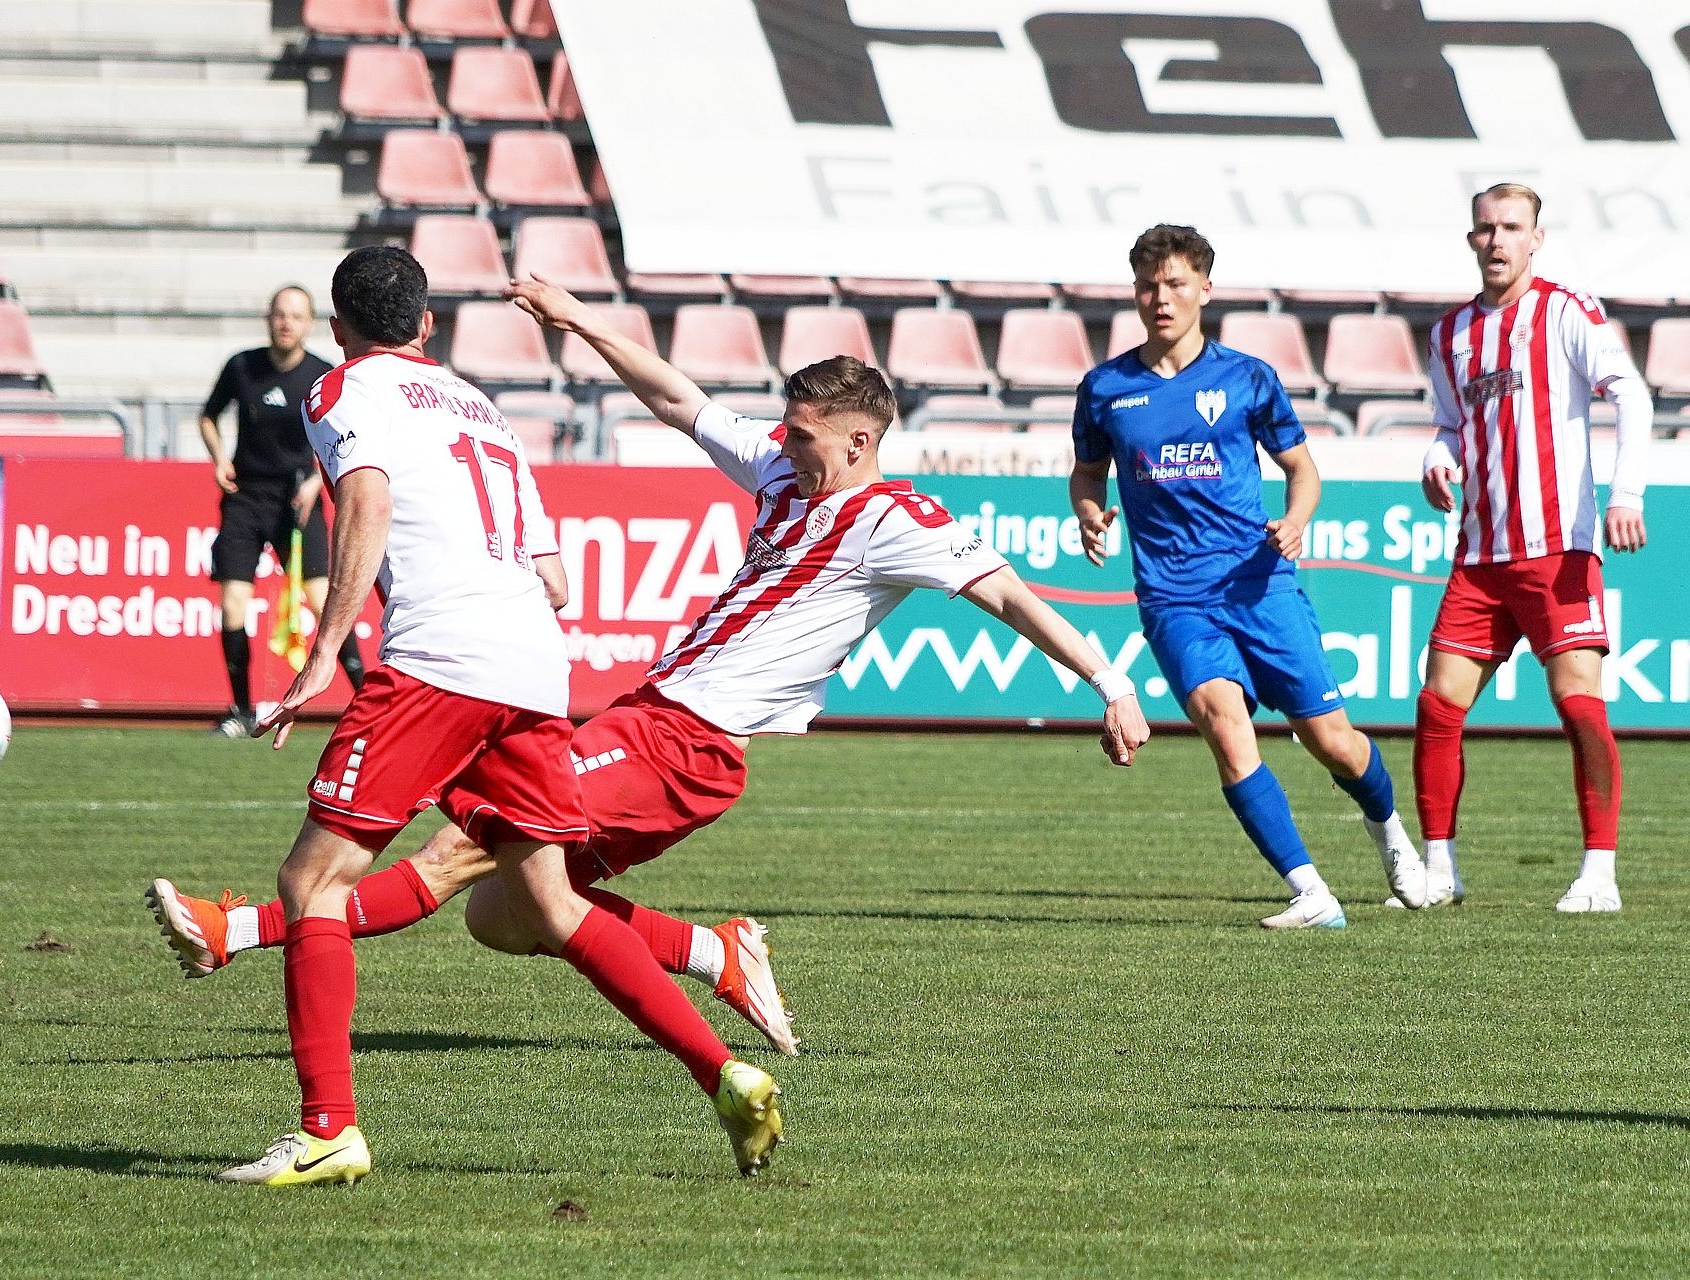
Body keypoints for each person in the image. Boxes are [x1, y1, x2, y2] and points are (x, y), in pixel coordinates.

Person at [148, 274, 1152, 1058]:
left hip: (687, 741)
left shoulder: (899, 519)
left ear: (859, 439)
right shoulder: (783, 469)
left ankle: (240, 929)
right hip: (650, 714)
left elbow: (1010, 596)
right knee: (505, 916)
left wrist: (1110, 683)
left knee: (458, 852)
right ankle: (713, 949)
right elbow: (680, 399)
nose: (785, 446)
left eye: (805, 437)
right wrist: (582, 320)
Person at [168, 246, 782, 1186]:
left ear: (338, 331)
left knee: (313, 881)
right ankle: (725, 1073)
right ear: (427, 326)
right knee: (549, 902)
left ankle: (328, 1129)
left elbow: (365, 502)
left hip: (439, 662)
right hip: (533, 668)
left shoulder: (342, 389)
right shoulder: (479, 406)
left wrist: (326, 651)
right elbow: (555, 579)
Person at [1069, 224, 1427, 929]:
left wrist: (1296, 520)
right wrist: (1089, 511)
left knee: (1333, 742)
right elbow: (1087, 472)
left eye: (1175, 284)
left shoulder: (1248, 378)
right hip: (1174, 597)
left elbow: (1303, 470)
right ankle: (1311, 893)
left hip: (1259, 586)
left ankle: (1389, 831)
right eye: (1147, 286)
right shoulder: (1106, 388)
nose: (1160, 298)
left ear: (1205, 289)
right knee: (1224, 726)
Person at [1412, 183, 1653, 913]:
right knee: (1437, 707)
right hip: (1480, 556)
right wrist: (1437, 459)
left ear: (1536, 239)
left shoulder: (1564, 310)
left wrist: (1627, 494)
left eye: (1512, 228)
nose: (1497, 241)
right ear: (1471, 238)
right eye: (1486, 229)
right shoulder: (1450, 333)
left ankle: (1599, 875)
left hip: (1558, 550)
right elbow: (1449, 424)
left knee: (1578, 705)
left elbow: (1631, 394)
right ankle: (1440, 871)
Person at [198, 285, 363, 736]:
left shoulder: (323, 375)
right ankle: (240, 710)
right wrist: (219, 458)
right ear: (268, 318)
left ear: (309, 324)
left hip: (297, 501)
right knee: (233, 603)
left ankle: (368, 704)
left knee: (323, 602)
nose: (286, 323)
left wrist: (316, 480)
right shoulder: (242, 366)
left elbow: (345, 439)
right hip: (246, 497)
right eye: (279, 314)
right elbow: (209, 416)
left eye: (295, 316)